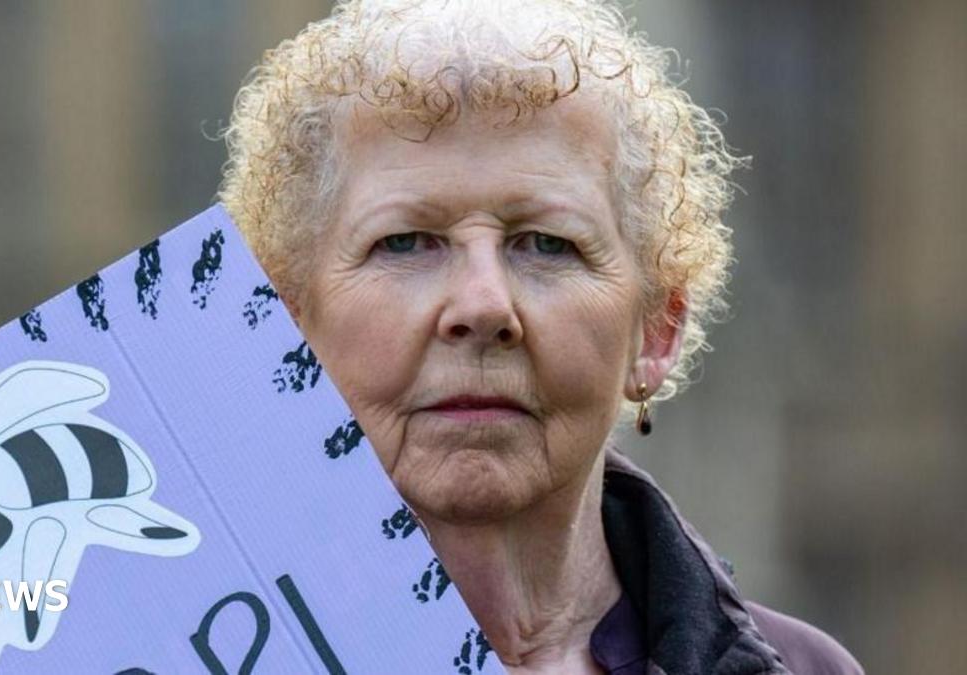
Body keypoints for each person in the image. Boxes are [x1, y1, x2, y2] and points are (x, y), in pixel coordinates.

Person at [219, 1, 863, 672]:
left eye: (547, 245)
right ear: (286, 321)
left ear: (656, 332)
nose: (482, 304)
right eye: (405, 242)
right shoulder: (147, 636)